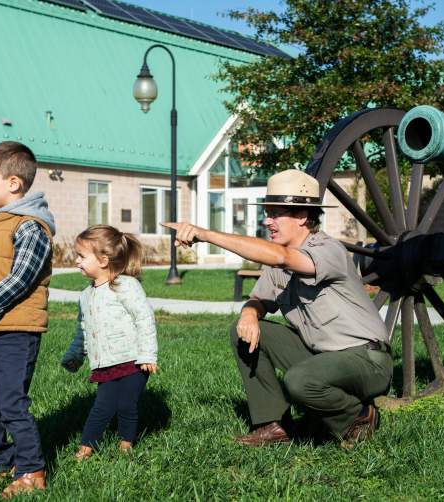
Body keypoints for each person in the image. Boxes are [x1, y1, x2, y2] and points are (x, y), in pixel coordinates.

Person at [163, 169, 392, 448]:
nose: (267, 220)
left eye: (275, 213)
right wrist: (250, 312)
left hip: (367, 360)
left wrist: (206, 234)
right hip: (321, 357)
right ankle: (273, 426)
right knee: (242, 332)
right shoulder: (276, 264)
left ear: (303, 217)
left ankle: (359, 417)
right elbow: (260, 298)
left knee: (299, 381)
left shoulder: (328, 250)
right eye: (267, 212)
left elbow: (284, 258)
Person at [0, 141, 56, 498]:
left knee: (12, 402)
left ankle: (31, 469)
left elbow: (18, 280)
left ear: (13, 183)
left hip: (15, 328)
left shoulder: (31, 226)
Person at [61, 225, 158, 460]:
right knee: (101, 406)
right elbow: (83, 329)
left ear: (103, 260)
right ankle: (86, 447)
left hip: (133, 360)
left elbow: (144, 319)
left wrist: (147, 355)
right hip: (104, 362)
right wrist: (75, 356)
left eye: (82, 256)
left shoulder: (126, 286)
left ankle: (126, 444)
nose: (76, 261)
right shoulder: (86, 295)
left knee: (126, 404)